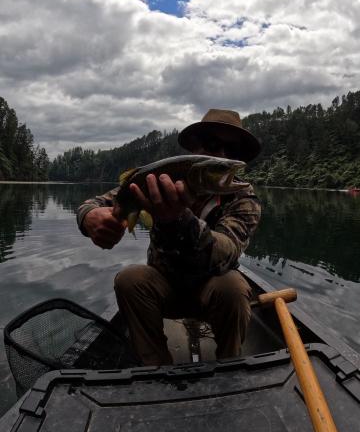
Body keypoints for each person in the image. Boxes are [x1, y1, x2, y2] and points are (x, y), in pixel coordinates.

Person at [76, 109, 262, 365]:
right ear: (194, 149)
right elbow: (98, 203)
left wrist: (178, 220)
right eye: (212, 145)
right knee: (129, 280)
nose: (222, 155)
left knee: (233, 288)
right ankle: (156, 368)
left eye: (232, 151)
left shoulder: (243, 200)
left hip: (212, 292)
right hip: (164, 288)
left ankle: (228, 367)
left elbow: (228, 249)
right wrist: (89, 217)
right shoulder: (159, 180)